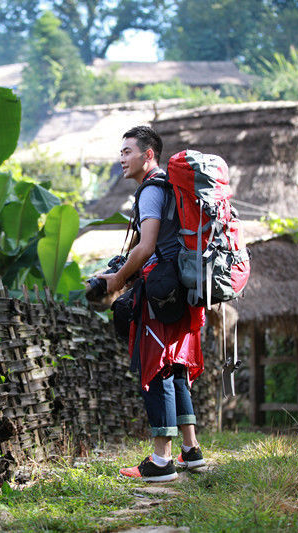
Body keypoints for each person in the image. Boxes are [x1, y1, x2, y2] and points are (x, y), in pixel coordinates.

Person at [98, 126, 206, 482]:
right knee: (175, 370)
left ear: (148, 155)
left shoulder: (150, 191)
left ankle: (161, 461)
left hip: (160, 293)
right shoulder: (171, 189)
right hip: (180, 288)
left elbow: (146, 248)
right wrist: (116, 268)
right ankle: (190, 451)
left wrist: (116, 280)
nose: (121, 159)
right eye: (121, 152)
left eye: (128, 151)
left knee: (156, 368)